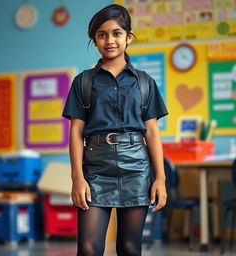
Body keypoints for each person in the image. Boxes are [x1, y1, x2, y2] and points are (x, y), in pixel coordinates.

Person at [62, 4, 168, 256]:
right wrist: (77, 177)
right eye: (102, 34)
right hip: (96, 169)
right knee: (88, 248)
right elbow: (76, 133)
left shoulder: (144, 81)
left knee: (130, 248)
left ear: (128, 37)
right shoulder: (83, 81)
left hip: (136, 168)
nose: (110, 40)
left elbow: (151, 132)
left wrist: (160, 179)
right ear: (95, 40)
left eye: (116, 33)